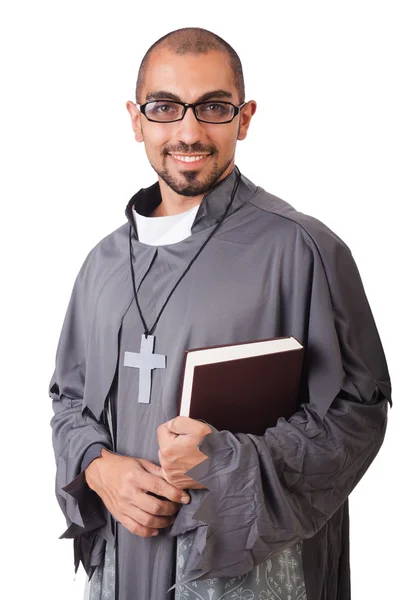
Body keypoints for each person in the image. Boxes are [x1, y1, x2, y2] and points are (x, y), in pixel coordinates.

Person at [49, 27, 392, 600]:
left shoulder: (302, 249)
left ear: (245, 117)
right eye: (164, 107)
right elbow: (67, 398)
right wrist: (95, 466)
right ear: (136, 120)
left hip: (247, 573)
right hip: (122, 565)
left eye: (212, 107)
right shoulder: (102, 263)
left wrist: (227, 462)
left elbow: (357, 415)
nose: (189, 131)